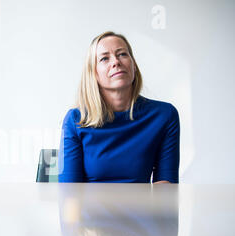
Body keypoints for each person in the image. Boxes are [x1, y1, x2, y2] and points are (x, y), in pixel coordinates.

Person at [58, 31, 180, 183]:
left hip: (142, 207)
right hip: (89, 207)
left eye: (122, 54)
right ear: (93, 73)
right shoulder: (76, 119)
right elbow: (69, 193)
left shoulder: (164, 115)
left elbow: (167, 186)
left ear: (133, 65)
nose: (115, 62)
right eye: (104, 58)